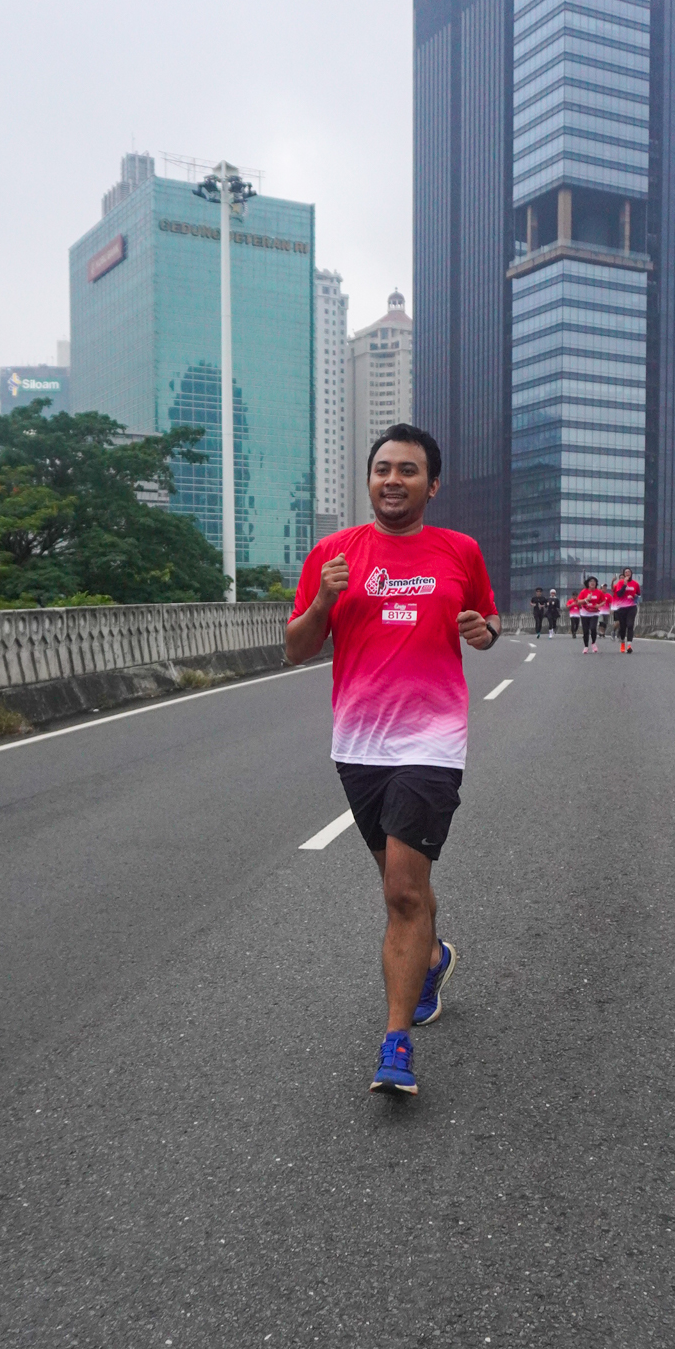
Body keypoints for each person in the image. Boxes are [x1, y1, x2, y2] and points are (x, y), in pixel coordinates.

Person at [286, 423, 501, 1095]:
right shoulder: (333, 553)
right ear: (369, 478)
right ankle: (431, 956)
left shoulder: (460, 551)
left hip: (432, 741)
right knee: (399, 880)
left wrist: (484, 632)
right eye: (383, 468)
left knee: (402, 892)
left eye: (408, 470)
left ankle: (395, 1044)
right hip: (358, 743)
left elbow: (488, 621)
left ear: (432, 485)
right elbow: (296, 648)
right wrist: (324, 599)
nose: (393, 480)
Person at [610, 568, 641, 652]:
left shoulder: (635, 584)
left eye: (629, 572)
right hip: (622, 607)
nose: (627, 573)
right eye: (626, 572)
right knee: (623, 627)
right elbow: (619, 594)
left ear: (631, 573)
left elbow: (638, 595)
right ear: (624, 574)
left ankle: (629, 645)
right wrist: (624, 585)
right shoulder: (620, 583)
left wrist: (634, 597)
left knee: (630, 625)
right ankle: (623, 642)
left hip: (632, 607)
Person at [574, 575, 607, 652]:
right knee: (585, 631)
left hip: (594, 613)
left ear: (596, 583)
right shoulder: (584, 591)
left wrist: (599, 605)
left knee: (593, 628)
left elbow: (604, 601)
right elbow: (578, 602)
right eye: (591, 581)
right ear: (588, 583)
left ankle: (593, 643)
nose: (592, 583)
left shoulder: (599, 592)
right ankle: (586, 646)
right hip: (585, 613)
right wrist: (586, 600)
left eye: (594, 582)